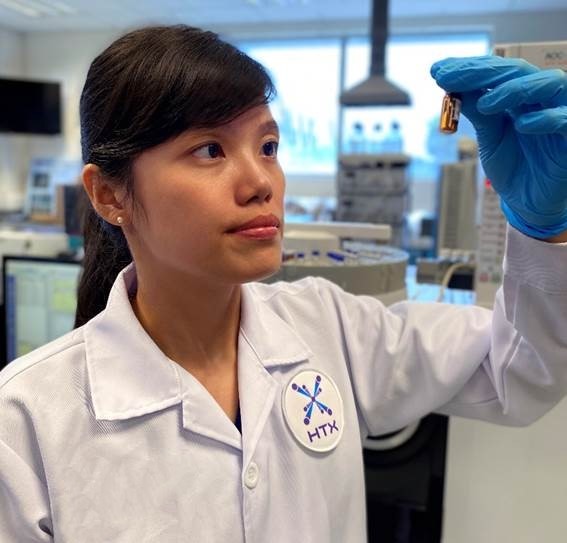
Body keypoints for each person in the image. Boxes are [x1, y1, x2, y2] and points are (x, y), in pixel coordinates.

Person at [1, 25, 567, 543]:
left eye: (268, 147)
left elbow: (517, 370)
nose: (260, 182)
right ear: (109, 195)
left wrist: (547, 233)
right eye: (209, 150)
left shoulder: (329, 327)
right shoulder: (27, 421)